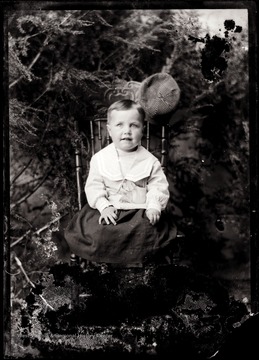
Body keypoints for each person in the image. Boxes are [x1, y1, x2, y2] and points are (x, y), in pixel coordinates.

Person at [65, 79, 179, 266]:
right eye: (120, 125)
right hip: (110, 211)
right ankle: (109, 273)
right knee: (100, 231)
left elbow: (158, 187)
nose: (127, 131)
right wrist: (103, 205)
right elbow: (94, 187)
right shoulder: (100, 158)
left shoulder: (150, 161)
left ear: (142, 129)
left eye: (133, 125)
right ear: (109, 130)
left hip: (140, 212)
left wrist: (153, 206)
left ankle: (136, 274)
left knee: (147, 231)